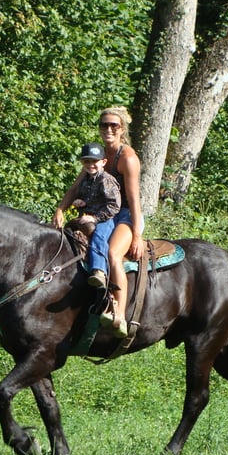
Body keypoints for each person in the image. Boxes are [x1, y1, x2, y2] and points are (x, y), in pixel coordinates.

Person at [93, 106, 144, 338]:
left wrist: (137, 234)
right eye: (104, 125)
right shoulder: (100, 154)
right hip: (104, 212)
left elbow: (134, 202)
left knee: (113, 253)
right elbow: (78, 183)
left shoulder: (128, 158)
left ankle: (120, 314)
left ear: (122, 129)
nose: (109, 129)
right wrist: (62, 209)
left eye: (114, 125)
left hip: (124, 214)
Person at [53, 142, 121, 286]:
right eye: (86, 161)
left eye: (94, 161)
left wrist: (95, 218)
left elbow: (114, 206)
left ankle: (99, 271)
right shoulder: (86, 180)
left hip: (104, 219)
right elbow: (84, 196)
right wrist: (79, 201)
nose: (91, 164)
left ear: (103, 162)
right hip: (86, 216)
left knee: (99, 237)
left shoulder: (106, 180)